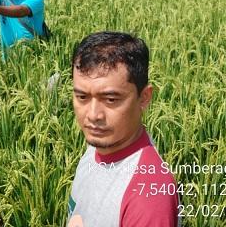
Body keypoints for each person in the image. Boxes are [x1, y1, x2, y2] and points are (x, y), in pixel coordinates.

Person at [68, 31, 179, 227]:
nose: (93, 115)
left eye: (111, 99)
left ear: (144, 98)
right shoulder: (98, 146)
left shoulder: (148, 199)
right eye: (82, 97)